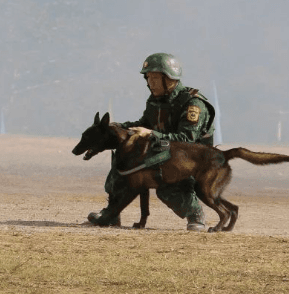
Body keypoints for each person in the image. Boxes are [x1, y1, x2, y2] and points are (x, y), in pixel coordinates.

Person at [87, 53, 216, 231]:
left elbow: (187, 141)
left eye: (155, 78)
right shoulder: (156, 101)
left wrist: (151, 134)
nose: (150, 83)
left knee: (166, 187)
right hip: (165, 154)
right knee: (124, 160)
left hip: (192, 162)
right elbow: (145, 124)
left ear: (170, 78)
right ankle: (112, 212)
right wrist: (117, 128)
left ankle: (195, 214)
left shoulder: (193, 104)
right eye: (148, 77)